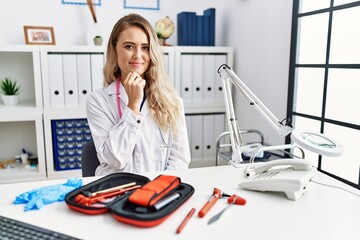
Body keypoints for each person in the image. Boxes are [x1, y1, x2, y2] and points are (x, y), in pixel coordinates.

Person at [86, 14, 191, 176]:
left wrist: (157, 190)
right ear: (114, 49)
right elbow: (115, 159)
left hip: (159, 192)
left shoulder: (172, 100)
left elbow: (180, 159)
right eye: (129, 46)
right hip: (115, 191)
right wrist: (133, 106)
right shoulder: (98, 100)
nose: (138, 55)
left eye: (145, 47)